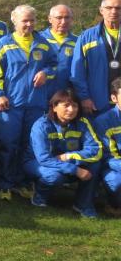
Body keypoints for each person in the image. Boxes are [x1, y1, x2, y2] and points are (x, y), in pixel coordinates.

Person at [0, 5, 57, 201]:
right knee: (8, 145)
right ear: (14, 21)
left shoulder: (43, 43)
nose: (29, 24)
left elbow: (55, 65)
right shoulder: (4, 43)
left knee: (29, 145)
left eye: (32, 20)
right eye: (24, 20)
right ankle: (5, 184)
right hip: (11, 104)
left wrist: (46, 73)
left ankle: (23, 182)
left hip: (36, 104)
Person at [25, 89, 102, 218]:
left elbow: (96, 149)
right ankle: (39, 196)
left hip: (68, 161)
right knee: (53, 176)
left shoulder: (82, 123)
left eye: (75, 106)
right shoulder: (41, 125)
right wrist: (75, 170)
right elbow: (44, 159)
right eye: (66, 105)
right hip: (37, 162)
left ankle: (83, 204)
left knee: (95, 164)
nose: (71, 110)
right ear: (54, 107)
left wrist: (68, 157)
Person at [72, 0, 121, 116]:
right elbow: (77, 72)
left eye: (118, 8)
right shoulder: (86, 37)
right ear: (101, 10)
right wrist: (84, 97)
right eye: (109, 8)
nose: (114, 11)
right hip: (97, 102)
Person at [93, 77, 121, 217]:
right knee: (117, 182)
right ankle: (113, 204)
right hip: (113, 167)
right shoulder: (103, 121)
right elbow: (106, 156)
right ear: (114, 98)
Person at [39, 4, 77, 99]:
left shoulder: (77, 41)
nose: (63, 22)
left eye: (67, 17)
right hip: (41, 93)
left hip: (66, 96)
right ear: (50, 19)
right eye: (59, 18)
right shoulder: (38, 40)